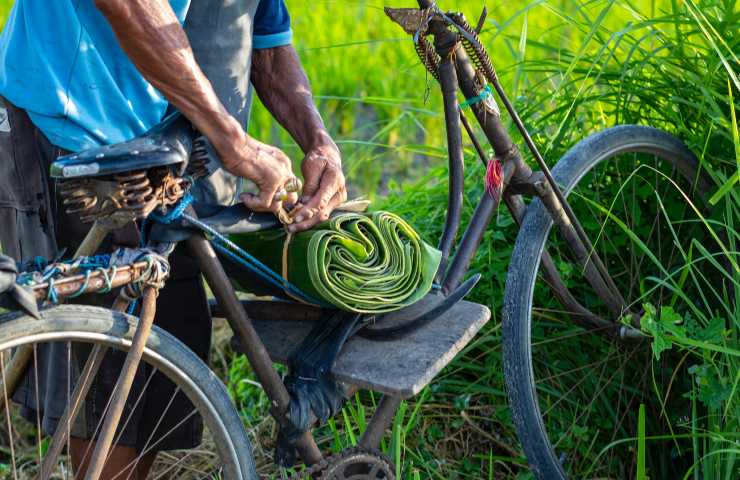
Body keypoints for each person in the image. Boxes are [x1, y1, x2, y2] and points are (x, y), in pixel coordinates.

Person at [0, 0, 346, 478]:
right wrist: (236, 143)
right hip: (77, 130)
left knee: (157, 361)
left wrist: (318, 141)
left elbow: (262, 34)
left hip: (173, 150)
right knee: (108, 373)